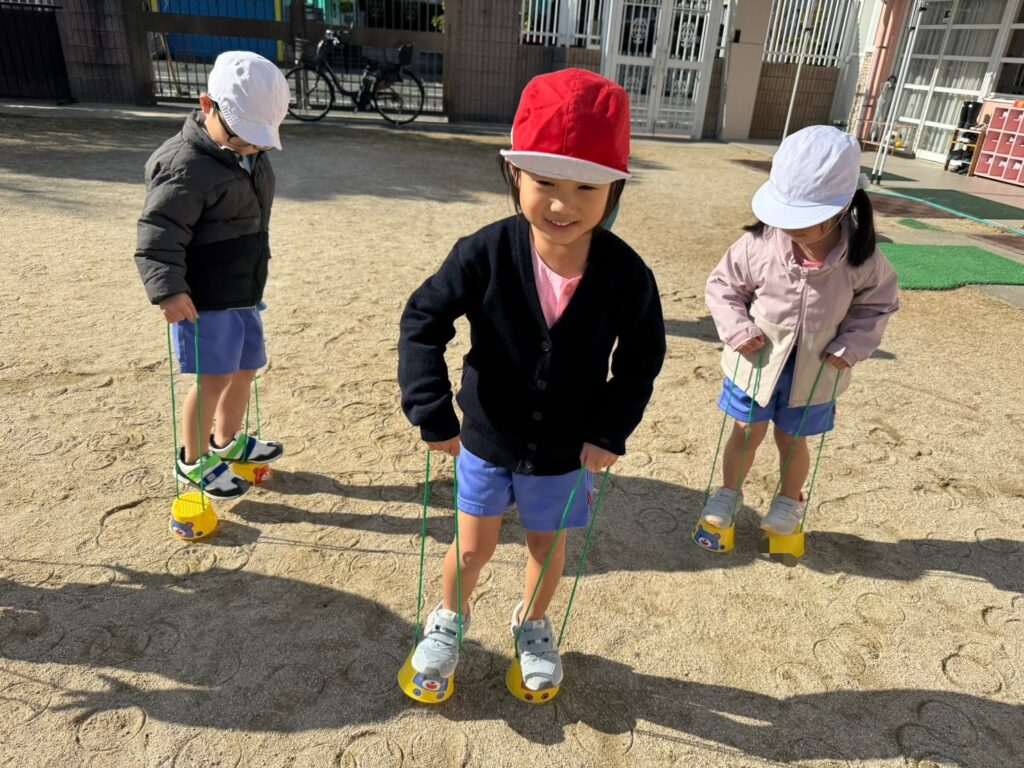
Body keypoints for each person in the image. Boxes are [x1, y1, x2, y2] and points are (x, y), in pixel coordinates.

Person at [398, 69, 666, 692]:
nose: (563, 205)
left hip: (567, 446)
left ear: (615, 188)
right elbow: (423, 320)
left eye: (586, 187)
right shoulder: (484, 251)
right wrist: (430, 408)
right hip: (487, 435)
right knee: (472, 547)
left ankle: (534, 623)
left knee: (548, 548)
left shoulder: (626, 274)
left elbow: (642, 356)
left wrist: (610, 429)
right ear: (514, 173)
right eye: (545, 181)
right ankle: (448, 619)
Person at [701, 125, 899, 537]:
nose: (790, 227)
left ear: (843, 207)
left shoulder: (863, 259)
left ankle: (789, 502)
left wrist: (851, 346)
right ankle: (728, 493)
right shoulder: (759, 244)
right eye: (784, 214)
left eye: (804, 218)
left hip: (815, 367)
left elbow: (877, 305)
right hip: (756, 360)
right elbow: (723, 286)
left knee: (793, 439)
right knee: (746, 431)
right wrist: (737, 329)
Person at [135, 51, 290, 500]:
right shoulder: (183, 165)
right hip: (204, 296)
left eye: (260, 141)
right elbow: (159, 232)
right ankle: (193, 458)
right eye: (243, 137)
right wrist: (168, 290)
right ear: (208, 106)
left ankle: (226, 440)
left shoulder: (251, 154)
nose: (251, 148)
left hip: (243, 286)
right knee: (213, 378)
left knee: (245, 368)